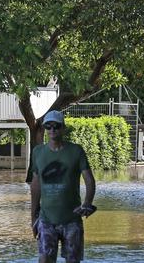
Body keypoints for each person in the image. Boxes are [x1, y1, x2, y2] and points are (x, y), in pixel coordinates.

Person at [30, 110, 96, 263]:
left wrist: (87, 203)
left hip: (72, 219)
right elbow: (35, 186)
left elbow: (89, 180)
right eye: (48, 126)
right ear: (45, 128)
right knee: (45, 259)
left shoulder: (76, 151)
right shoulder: (38, 152)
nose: (52, 130)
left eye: (56, 126)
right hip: (46, 220)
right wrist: (33, 217)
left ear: (63, 128)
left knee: (73, 260)